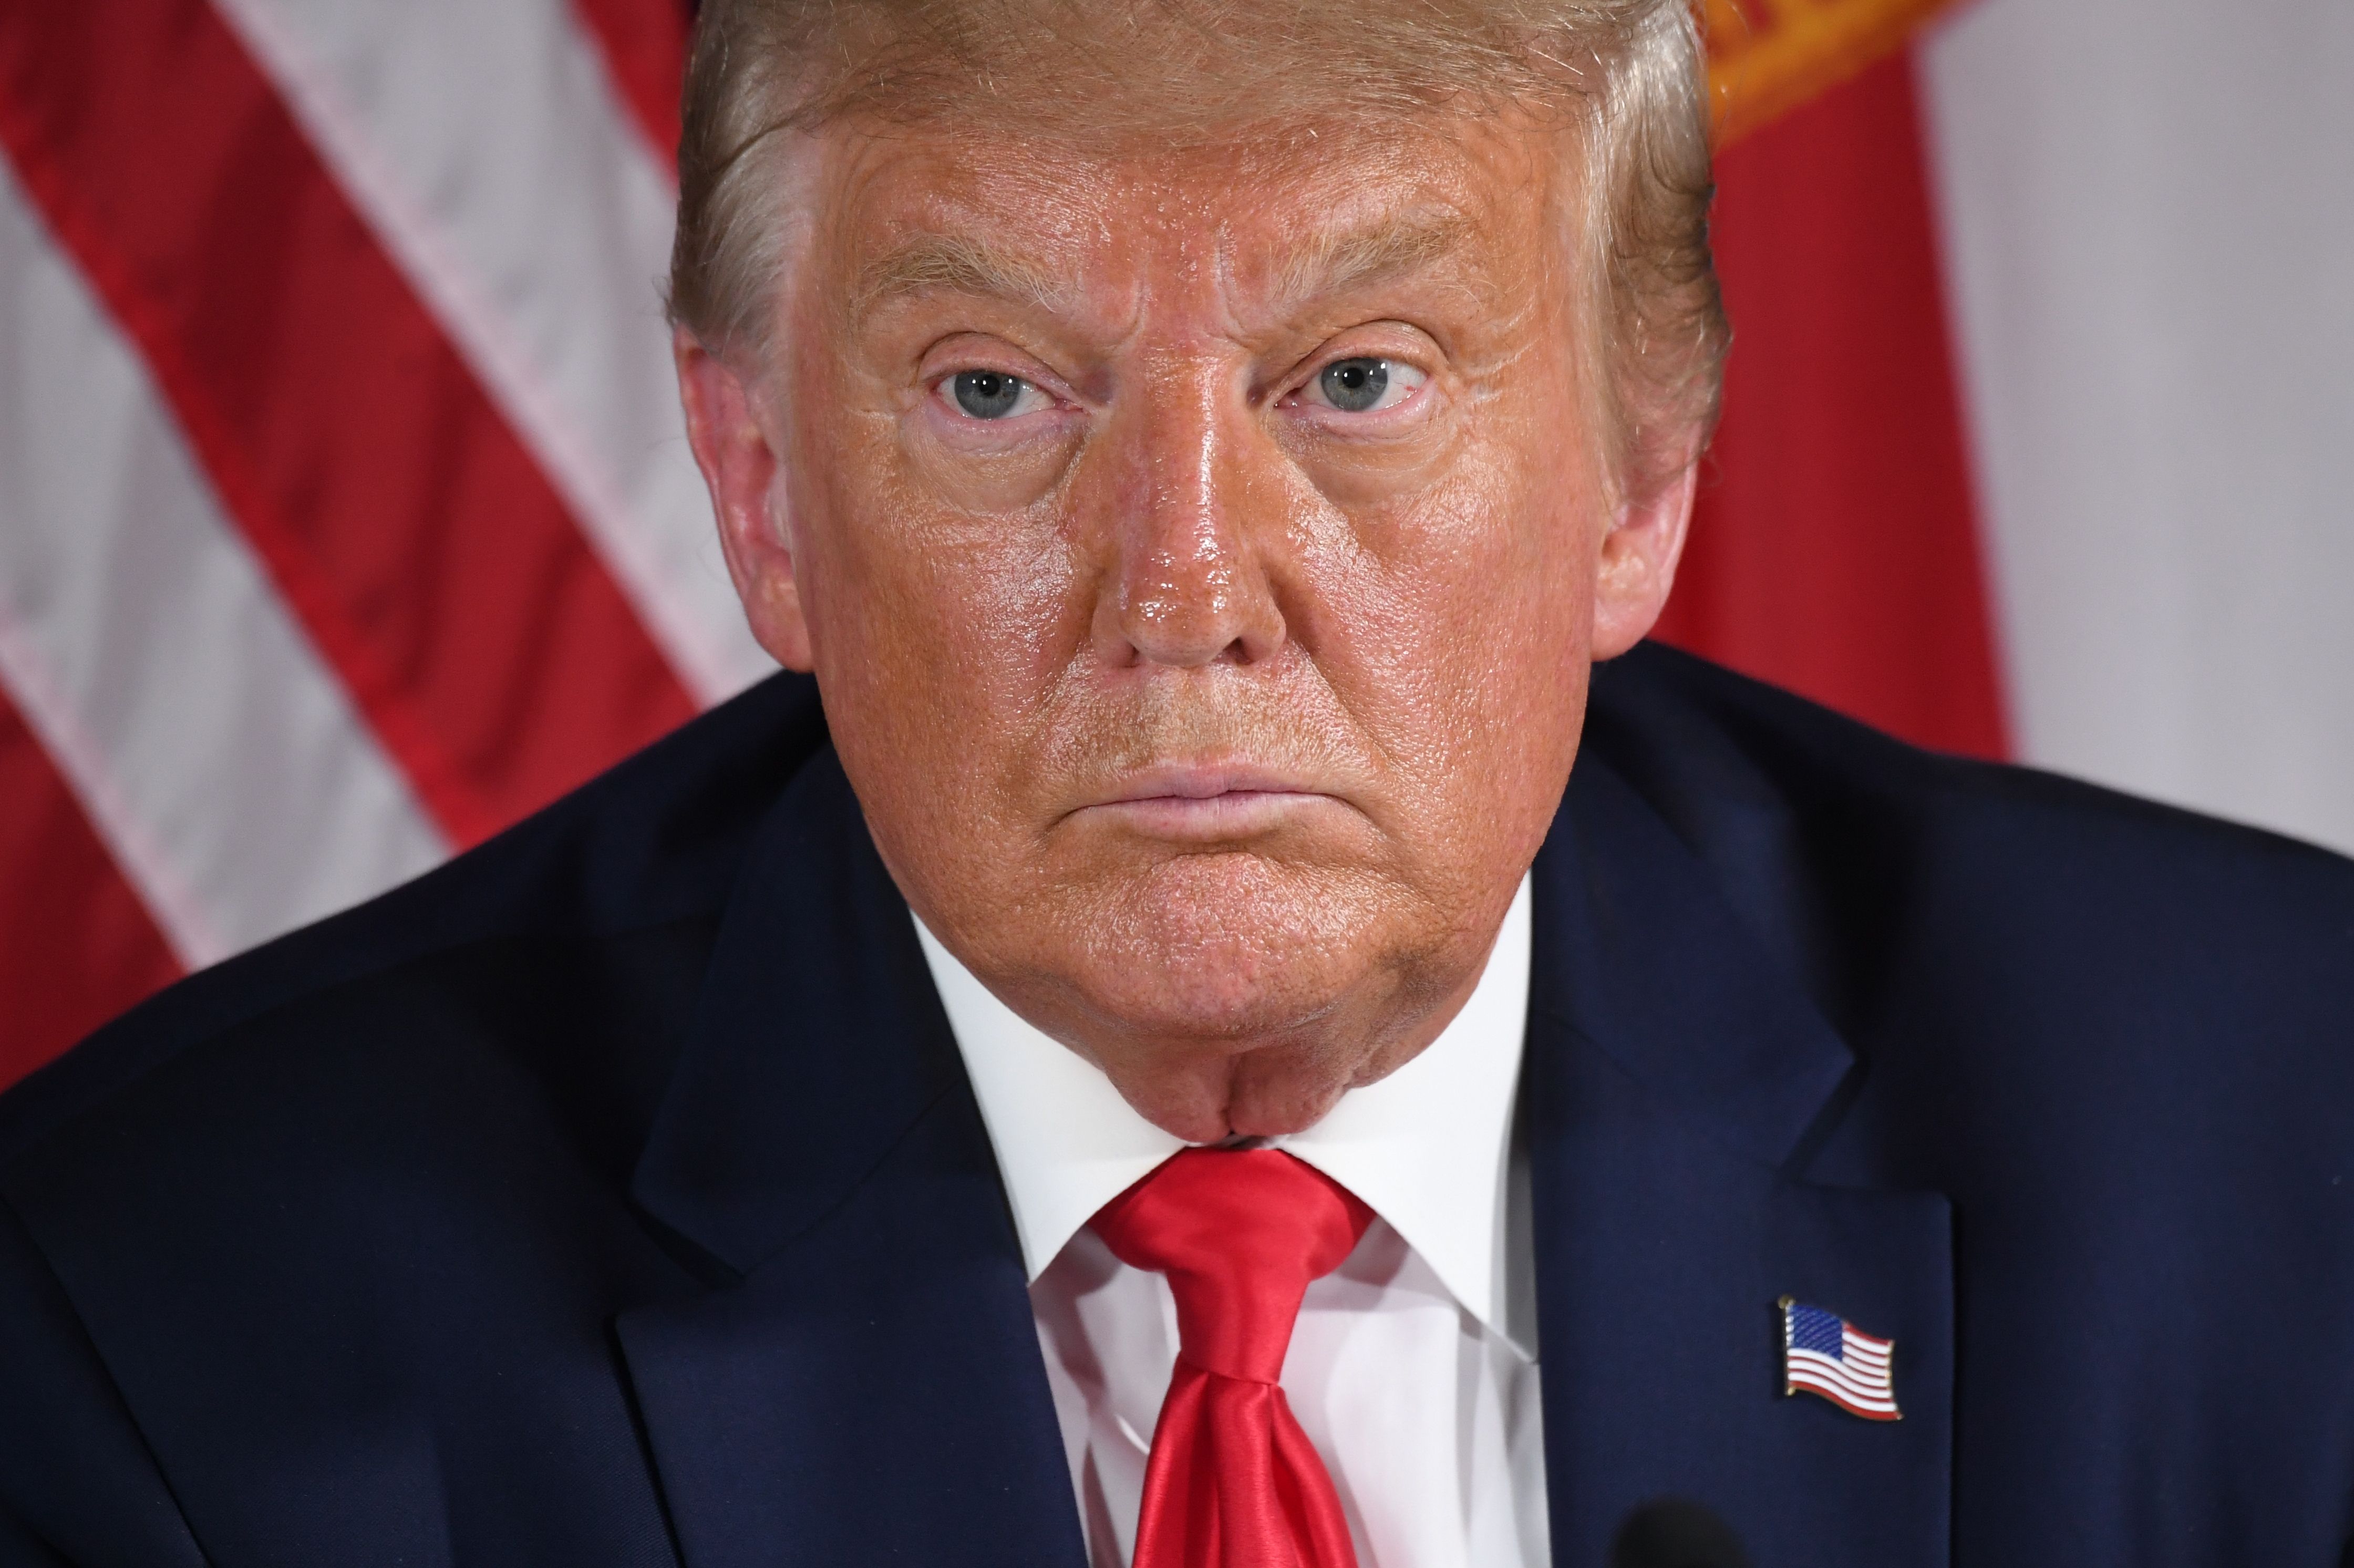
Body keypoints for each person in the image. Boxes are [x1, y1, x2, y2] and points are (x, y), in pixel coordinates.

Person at [3, 0, 2350, 1562]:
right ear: (758, 490)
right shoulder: (171, 1339)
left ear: (1641, 477)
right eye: (997, 392)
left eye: (1356, 377)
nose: (1188, 586)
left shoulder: (2269, 1155)